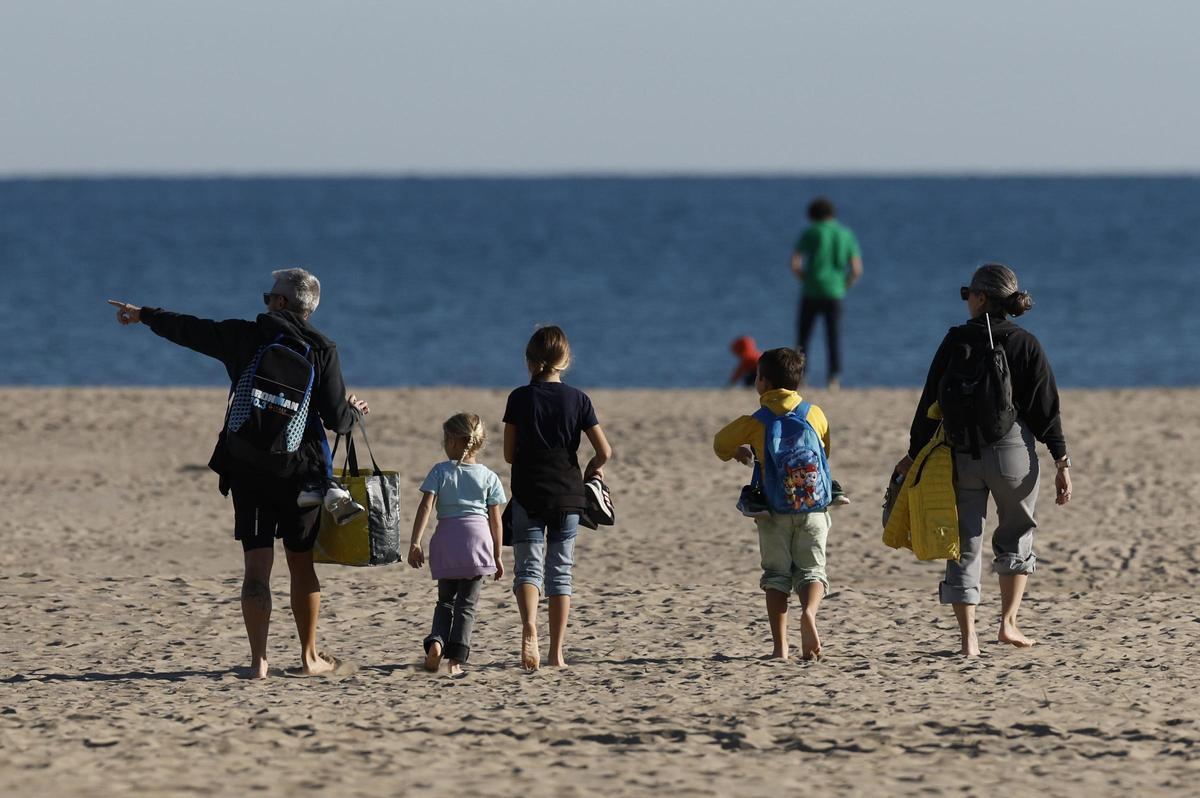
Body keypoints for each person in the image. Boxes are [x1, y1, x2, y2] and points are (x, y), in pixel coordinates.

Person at [107, 268, 368, 679]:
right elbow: (338, 418)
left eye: (270, 296)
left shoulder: (247, 337)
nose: (266, 302)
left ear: (282, 303)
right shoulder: (323, 349)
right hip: (300, 474)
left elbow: (191, 330)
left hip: (247, 467)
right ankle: (309, 657)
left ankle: (258, 661)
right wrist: (355, 411)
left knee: (256, 567)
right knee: (300, 565)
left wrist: (144, 315)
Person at [894, 263, 1072, 658]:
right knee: (1016, 533)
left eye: (968, 295)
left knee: (965, 543)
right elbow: (1046, 409)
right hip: (1013, 454)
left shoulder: (955, 340)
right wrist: (1062, 460)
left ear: (979, 298)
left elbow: (929, 403)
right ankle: (1008, 624)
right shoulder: (1026, 343)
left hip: (961, 452)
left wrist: (912, 454)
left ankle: (968, 639)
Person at [503, 326, 612, 670]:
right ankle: (556, 654)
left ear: (529, 361)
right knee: (560, 573)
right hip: (567, 494)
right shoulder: (578, 399)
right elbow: (604, 450)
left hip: (528, 491)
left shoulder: (519, 398)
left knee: (528, 569)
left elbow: (508, 454)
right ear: (565, 360)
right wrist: (593, 469)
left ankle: (529, 626)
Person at [713, 347, 833, 660]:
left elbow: (719, 443)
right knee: (812, 571)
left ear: (763, 383)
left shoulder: (757, 421)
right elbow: (825, 451)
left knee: (777, 577)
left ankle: (780, 648)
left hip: (774, 511)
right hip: (813, 507)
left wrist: (738, 452)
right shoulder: (814, 413)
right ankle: (809, 612)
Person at [407, 413, 506, 675]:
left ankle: (437, 642)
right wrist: (497, 556)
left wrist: (415, 542)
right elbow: (496, 522)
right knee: (466, 606)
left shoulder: (440, 471)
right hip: (477, 544)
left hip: (447, 542)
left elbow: (425, 506)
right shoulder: (489, 476)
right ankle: (455, 660)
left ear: (451, 441)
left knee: (445, 602)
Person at [790, 197, 863, 388]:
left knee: (803, 337)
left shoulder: (811, 232)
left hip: (811, 291)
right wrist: (844, 285)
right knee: (833, 337)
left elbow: (795, 263)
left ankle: (800, 377)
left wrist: (805, 279)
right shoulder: (846, 234)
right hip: (835, 292)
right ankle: (833, 378)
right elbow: (856, 269)